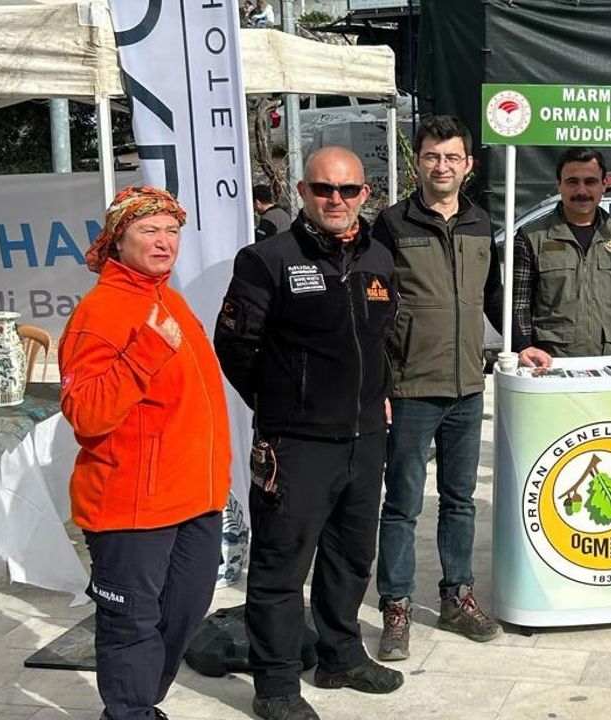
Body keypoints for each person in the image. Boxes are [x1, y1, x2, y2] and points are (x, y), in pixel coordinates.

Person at [215, 146, 403, 720]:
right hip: (295, 444)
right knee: (281, 566)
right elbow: (235, 347)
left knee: (351, 556)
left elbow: (380, 340)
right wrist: (282, 405)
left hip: (364, 439)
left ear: (365, 194)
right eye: (324, 189)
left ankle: (340, 656)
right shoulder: (267, 259)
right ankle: (275, 686)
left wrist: (379, 394)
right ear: (302, 191)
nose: (336, 200)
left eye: (347, 190)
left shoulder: (379, 258)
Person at [60, 186, 232, 720]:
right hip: (132, 505)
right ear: (118, 239)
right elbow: (86, 413)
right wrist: (143, 355)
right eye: (149, 230)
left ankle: (138, 705)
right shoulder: (98, 312)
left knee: (185, 611)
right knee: (131, 624)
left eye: (172, 230)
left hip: (195, 499)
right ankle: (129, 711)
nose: (164, 242)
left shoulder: (169, 299)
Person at [372, 116, 505, 661]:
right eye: (432, 156)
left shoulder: (480, 223)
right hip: (410, 386)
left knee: (459, 501)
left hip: (467, 387)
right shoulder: (391, 224)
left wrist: (524, 343)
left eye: (452, 157)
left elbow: (493, 297)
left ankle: (457, 597)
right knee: (402, 503)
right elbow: (374, 306)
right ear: (418, 162)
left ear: (468, 165)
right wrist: (379, 381)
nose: (442, 166)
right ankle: (396, 606)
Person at [512, 147, 611, 366]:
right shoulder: (532, 236)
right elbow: (519, 305)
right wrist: (524, 347)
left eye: (590, 181)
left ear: (604, 184)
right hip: (553, 364)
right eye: (572, 182)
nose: (581, 190)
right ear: (559, 185)